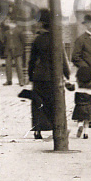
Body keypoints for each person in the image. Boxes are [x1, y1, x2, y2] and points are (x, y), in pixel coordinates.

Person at [24, 9, 69, 139]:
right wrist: (66, 74)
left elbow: (32, 60)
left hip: (39, 76)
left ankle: (37, 130)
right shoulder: (56, 40)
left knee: (38, 103)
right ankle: (55, 127)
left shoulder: (37, 39)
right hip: (53, 76)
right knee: (53, 102)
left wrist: (31, 76)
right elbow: (62, 59)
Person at [71, 66, 91, 139]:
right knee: (87, 121)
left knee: (80, 119)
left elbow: (71, 88)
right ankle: (86, 133)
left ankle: (80, 126)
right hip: (89, 107)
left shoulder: (77, 86)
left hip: (79, 106)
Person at [3, 19, 27, 86]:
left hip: (17, 51)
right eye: (9, 24)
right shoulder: (6, 33)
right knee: (8, 66)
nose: (10, 25)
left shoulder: (19, 31)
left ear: (15, 24)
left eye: (11, 24)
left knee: (19, 66)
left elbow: (23, 41)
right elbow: (4, 42)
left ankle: (21, 81)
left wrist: (21, 50)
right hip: (8, 51)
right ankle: (9, 80)